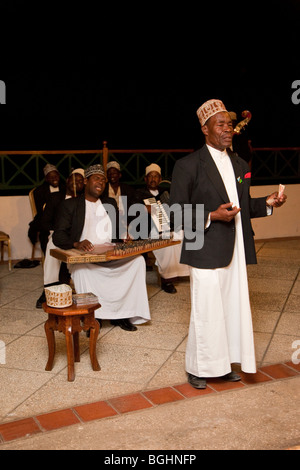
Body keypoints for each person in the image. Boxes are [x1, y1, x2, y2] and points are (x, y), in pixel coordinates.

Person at [169, 98, 287, 389]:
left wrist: (269, 203)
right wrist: (212, 215)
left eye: (230, 125)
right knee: (206, 310)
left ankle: (224, 366)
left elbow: (243, 206)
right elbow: (174, 214)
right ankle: (198, 368)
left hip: (235, 248)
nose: (227, 129)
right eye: (220, 124)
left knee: (231, 309)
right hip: (204, 247)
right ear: (205, 129)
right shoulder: (187, 165)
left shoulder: (239, 164)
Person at [53, 164, 151, 331]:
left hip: (110, 253)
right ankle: (91, 318)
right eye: (96, 178)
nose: (101, 182)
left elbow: (118, 231)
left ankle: (122, 315)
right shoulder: (71, 205)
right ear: (85, 181)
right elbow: (58, 235)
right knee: (82, 270)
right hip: (86, 256)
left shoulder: (109, 203)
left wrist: (123, 238)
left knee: (138, 262)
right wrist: (77, 243)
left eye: (103, 180)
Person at [135, 163, 190, 294]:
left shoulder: (166, 194)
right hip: (147, 229)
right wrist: (145, 208)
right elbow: (133, 212)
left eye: (156, 176)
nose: (153, 179)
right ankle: (167, 279)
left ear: (160, 179)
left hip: (168, 226)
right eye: (150, 176)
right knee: (165, 242)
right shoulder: (138, 193)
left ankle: (182, 272)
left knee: (183, 235)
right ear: (145, 179)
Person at [35, 169, 85, 308]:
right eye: (74, 180)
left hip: (78, 237)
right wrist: (58, 232)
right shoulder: (56, 197)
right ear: (68, 181)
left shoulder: (84, 199)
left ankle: (76, 288)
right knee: (53, 246)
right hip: (57, 234)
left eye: (81, 181)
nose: (77, 184)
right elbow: (44, 221)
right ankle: (49, 288)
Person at [28, 163, 65, 254]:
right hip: (47, 219)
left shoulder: (65, 188)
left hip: (64, 219)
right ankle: (49, 255)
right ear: (46, 179)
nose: (54, 179)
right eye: (51, 177)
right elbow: (41, 212)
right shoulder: (39, 191)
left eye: (56, 176)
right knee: (44, 230)